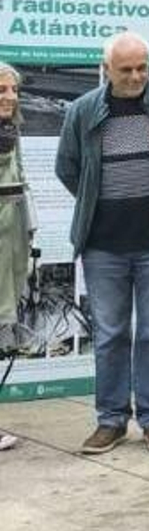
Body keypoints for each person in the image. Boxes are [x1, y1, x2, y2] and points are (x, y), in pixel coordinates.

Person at [54, 32, 149, 454]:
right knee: (110, 334)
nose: (136, 77)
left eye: (143, 68)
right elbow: (69, 168)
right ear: (107, 70)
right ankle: (111, 419)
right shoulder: (83, 111)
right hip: (102, 244)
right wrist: (101, 200)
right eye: (126, 70)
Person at [1, 61, 35, 363]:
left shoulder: (11, 130)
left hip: (11, 236)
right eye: (1, 89)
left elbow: (20, 177)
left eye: (14, 89)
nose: (10, 96)